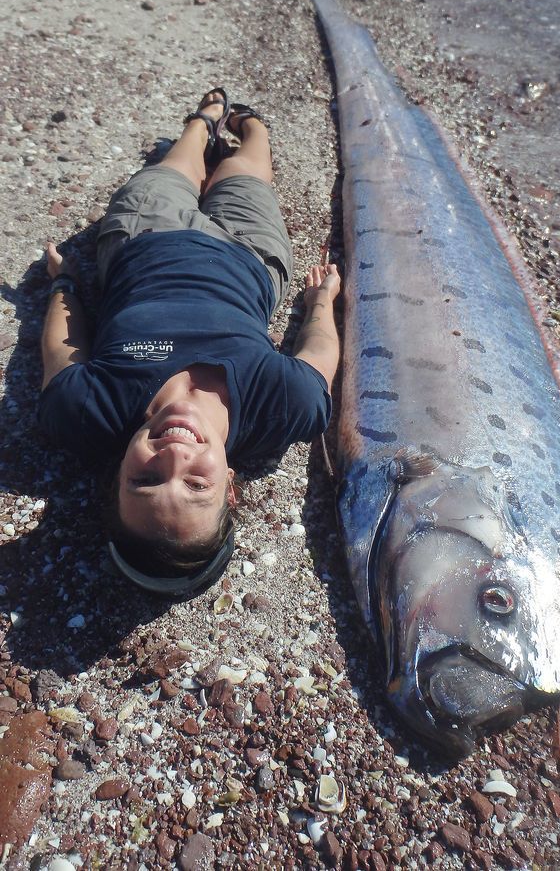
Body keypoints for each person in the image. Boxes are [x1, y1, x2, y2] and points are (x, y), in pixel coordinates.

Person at [39, 87, 341, 597]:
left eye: (145, 481)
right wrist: (321, 302)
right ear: (230, 487)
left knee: (181, 157)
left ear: (115, 479)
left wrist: (63, 284)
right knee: (247, 168)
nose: (173, 459)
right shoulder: (287, 406)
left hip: (143, 237)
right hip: (249, 257)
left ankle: (204, 121)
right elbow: (319, 353)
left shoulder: (86, 411)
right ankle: (251, 124)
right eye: (196, 486)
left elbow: (61, 349)